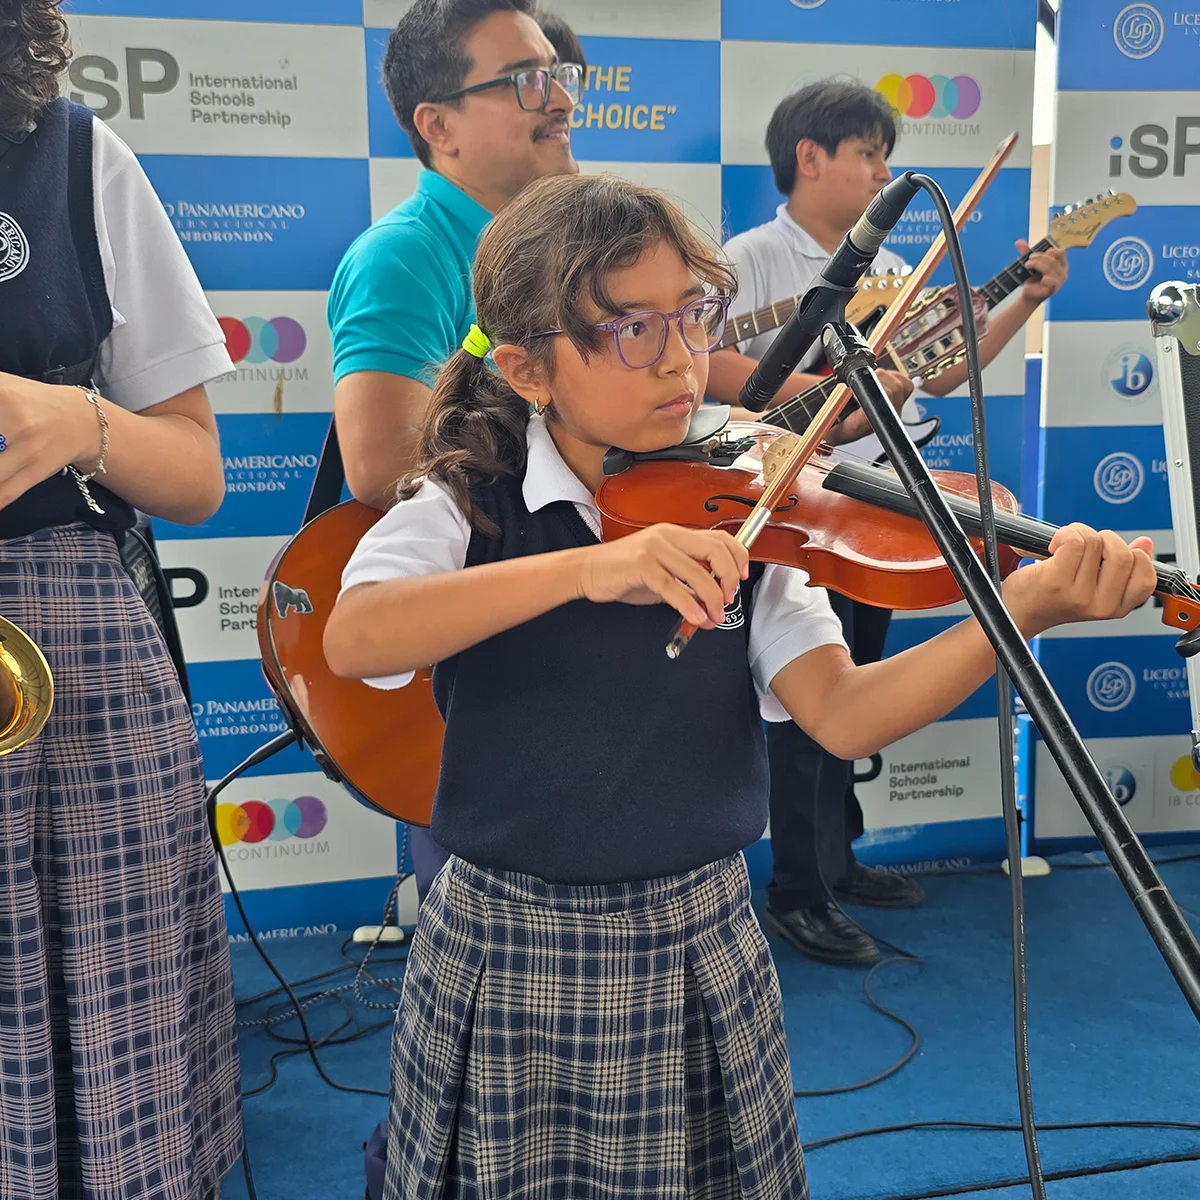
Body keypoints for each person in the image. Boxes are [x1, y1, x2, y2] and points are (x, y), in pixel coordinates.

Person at [323, 172, 1154, 1198]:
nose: (682, 359)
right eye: (633, 330)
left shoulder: (745, 499)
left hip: (703, 932)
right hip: (519, 940)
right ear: (533, 369)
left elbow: (844, 713)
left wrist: (1016, 616)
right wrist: (589, 567)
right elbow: (357, 638)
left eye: (694, 315)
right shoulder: (468, 500)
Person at [708, 79, 1069, 965]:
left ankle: (839, 857)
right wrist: (838, 399)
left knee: (857, 684)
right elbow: (708, 366)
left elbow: (944, 367)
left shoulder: (888, 270)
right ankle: (795, 886)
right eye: (868, 154)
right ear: (810, 158)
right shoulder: (749, 258)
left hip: (878, 508)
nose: (884, 173)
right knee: (804, 709)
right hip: (797, 512)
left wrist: (1024, 298)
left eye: (884, 154)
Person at [0, 4, 241, 1199]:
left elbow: (197, 474)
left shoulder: (74, 154)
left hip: (66, 650)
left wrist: (77, 421)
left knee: (112, 1016)